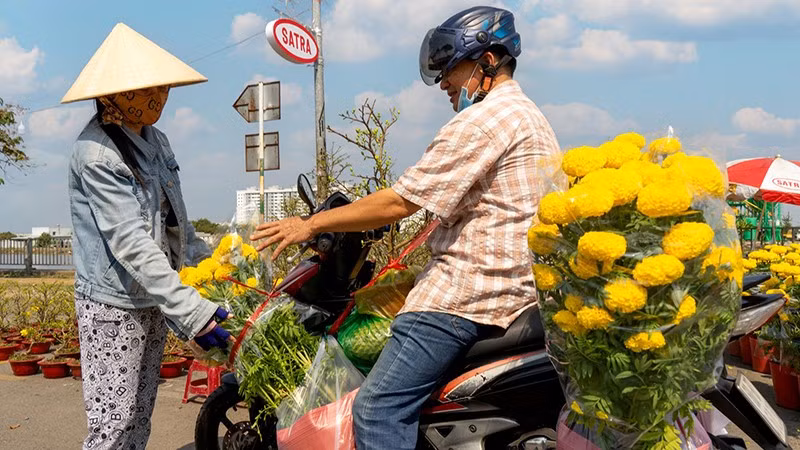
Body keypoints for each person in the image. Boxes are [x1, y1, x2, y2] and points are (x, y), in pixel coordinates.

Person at [251, 6, 562, 449]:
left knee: (378, 409)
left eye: (451, 70)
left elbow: (399, 201)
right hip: (514, 288)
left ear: (487, 62)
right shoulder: (530, 116)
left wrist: (311, 224)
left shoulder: (485, 120)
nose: (444, 84)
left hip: (464, 296)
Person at [63, 23, 231, 450]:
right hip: (112, 306)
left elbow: (177, 225)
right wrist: (191, 310)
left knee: (139, 418)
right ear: (112, 94)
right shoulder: (97, 152)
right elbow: (131, 243)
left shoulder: (157, 141)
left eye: (163, 88)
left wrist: (211, 278)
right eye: (143, 90)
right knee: (113, 425)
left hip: (153, 297)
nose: (157, 99)